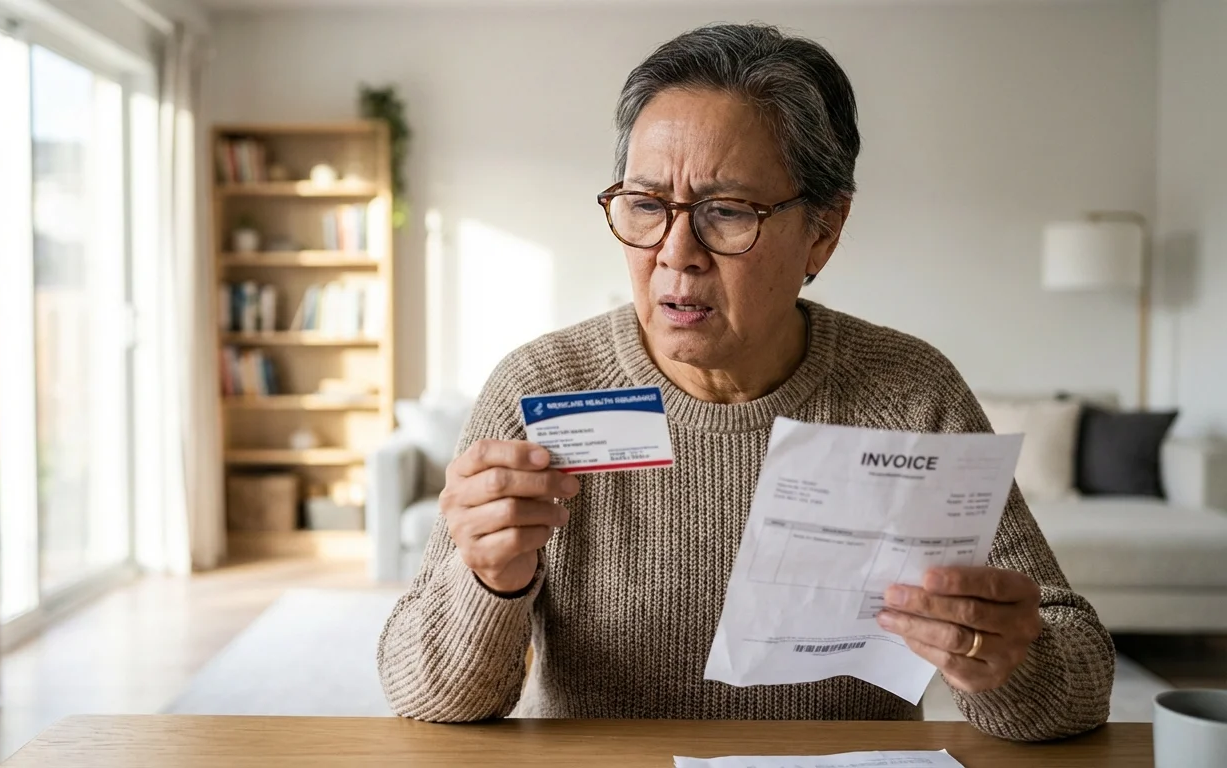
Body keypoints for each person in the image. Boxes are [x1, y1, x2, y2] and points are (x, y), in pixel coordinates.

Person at [376, 23, 1114, 741]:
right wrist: (489, 581)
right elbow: (423, 694)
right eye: (646, 205)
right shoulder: (541, 387)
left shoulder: (909, 394)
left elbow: (1076, 680)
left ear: (823, 231)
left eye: (726, 212)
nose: (677, 253)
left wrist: (1009, 659)